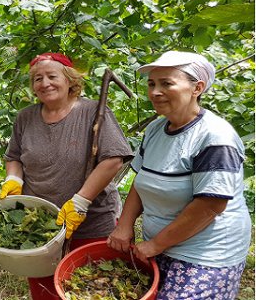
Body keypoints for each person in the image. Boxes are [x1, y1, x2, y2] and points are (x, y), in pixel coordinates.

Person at [107, 51, 251, 300]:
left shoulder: (215, 138)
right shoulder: (155, 129)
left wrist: (155, 245)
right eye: (152, 84)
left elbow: (210, 206)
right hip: (161, 243)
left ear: (197, 88)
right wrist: (125, 226)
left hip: (207, 253)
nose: (155, 92)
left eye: (167, 83)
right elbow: (141, 182)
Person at [0, 52, 133, 299]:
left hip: (90, 223)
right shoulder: (26, 117)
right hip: (42, 225)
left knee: (89, 286)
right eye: (38, 79)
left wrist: (80, 203)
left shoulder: (93, 112)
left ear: (70, 80)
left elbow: (113, 159)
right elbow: (14, 156)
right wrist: (13, 180)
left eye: (52, 76)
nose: (45, 83)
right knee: (45, 289)